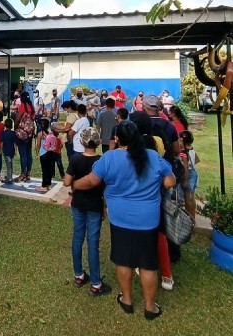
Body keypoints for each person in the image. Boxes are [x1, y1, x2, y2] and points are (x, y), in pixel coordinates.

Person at [74, 121, 175, 321]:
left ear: (117, 139)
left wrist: (75, 184)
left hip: (120, 219)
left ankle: (127, 300)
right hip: (148, 219)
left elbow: (92, 181)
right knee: (147, 264)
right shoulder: (153, 157)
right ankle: (150, 307)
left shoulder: (110, 158)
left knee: (123, 260)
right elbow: (170, 180)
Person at [129, 110, 175, 291]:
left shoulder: (133, 144)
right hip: (158, 190)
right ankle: (167, 275)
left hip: (140, 194)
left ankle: (143, 266)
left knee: (139, 234)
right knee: (160, 234)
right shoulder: (158, 140)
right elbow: (167, 171)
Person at [64, 127, 111, 296]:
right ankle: (96, 284)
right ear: (98, 143)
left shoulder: (76, 159)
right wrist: (104, 207)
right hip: (94, 206)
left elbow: (67, 181)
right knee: (93, 242)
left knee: (77, 237)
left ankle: (78, 275)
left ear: (82, 142)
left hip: (78, 204)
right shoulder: (102, 161)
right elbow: (105, 187)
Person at [14, 91, 35, 182]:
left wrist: (15, 129)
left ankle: (23, 174)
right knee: (28, 153)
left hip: (22, 133)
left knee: (23, 154)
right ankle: (28, 173)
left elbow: (17, 120)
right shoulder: (31, 106)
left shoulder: (22, 106)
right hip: (30, 133)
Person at [179, 130, 199, 221]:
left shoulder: (183, 152)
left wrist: (185, 180)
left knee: (187, 199)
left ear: (182, 141)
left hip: (188, 174)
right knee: (192, 197)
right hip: (194, 173)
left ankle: (188, 219)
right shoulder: (191, 148)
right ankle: (193, 218)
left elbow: (186, 167)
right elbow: (197, 160)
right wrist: (192, 164)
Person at [35, 118, 57, 192]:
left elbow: (38, 145)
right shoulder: (51, 133)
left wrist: (37, 153)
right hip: (51, 152)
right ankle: (49, 184)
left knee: (44, 170)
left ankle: (44, 185)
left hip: (43, 153)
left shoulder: (40, 134)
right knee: (50, 169)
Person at [0, 118, 17, 183]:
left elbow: (1, 143)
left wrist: (0, 150)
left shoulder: (3, 134)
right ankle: (10, 176)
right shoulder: (13, 133)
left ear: (5, 125)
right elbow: (15, 143)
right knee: (11, 164)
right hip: (12, 151)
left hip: (6, 152)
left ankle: (9, 178)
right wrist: (16, 150)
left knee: (8, 165)